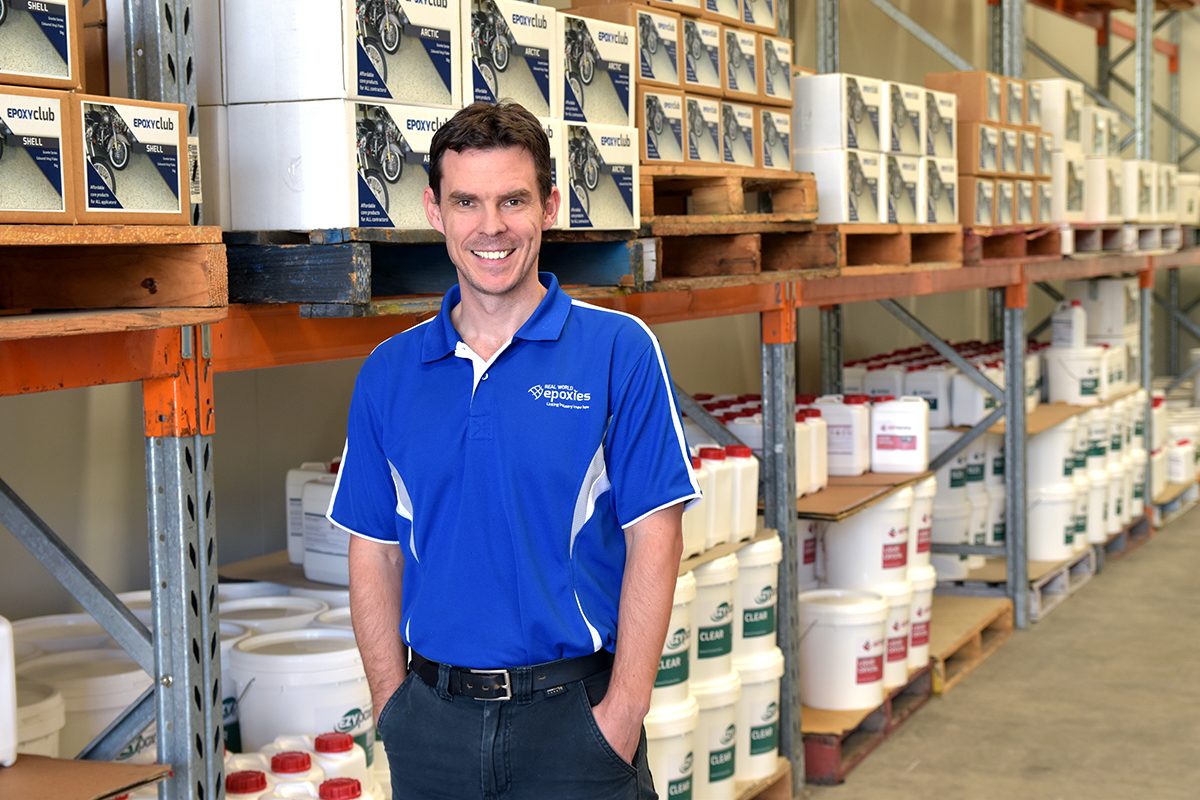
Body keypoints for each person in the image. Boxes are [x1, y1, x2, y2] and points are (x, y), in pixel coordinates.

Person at [327, 102, 699, 799]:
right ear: (435, 210)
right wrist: (392, 707)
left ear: (549, 206)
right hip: (432, 724)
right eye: (467, 201)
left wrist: (621, 715)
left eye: (513, 201)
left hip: (575, 721)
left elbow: (656, 535)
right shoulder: (389, 370)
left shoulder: (618, 351)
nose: (490, 227)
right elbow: (372, 547)